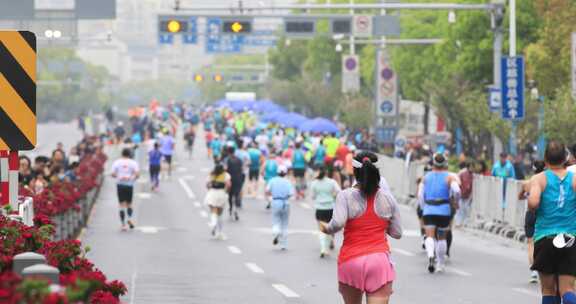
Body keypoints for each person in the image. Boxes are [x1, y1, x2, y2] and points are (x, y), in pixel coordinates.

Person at [320, 151, 402, 304]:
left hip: (351, 261)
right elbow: (397, 233)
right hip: (379, 262)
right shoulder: (388, 198)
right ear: (376, 171)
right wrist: (383, 224)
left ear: (355, 171)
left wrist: (325, 228)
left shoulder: (345, 196)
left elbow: (337, 223)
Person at [528, 141, 576, 304]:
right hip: (570, 237)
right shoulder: (574, 178)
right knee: (567, 289)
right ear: (565, 158)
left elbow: (533, 202)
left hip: (545, 238)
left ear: (545, 160)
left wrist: (534, 205)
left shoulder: (539, 179)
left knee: (548, 290)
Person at [418, 153, 460, 273]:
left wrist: (422, 207)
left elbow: (420, 194)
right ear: (445, 164)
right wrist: (456, 202)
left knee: (430, 235)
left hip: (429, 209)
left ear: (433, 163)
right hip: (443, 210)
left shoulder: (425, 177)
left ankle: (431, 255)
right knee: (442, 237)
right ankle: (440, 264)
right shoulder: (449, 177)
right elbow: (457, 190)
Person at [519, 160, 546, 284]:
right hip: (543, 214)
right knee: (543, 241)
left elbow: (520, 196)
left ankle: (534, 271)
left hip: (531, 213)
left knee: (530, 243)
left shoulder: (527, 183)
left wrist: (527, 195)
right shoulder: (547, 182)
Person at [310, 168, 341, 258]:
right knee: (330, 228)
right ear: (326, 173)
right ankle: (330, 241)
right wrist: (332, 196)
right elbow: (339, 191)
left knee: (321, 230)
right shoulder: (331, 182)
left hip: (320, 208)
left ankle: (323, 248)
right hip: (330, 208)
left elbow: (312, 196)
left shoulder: (314, 183)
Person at [266, 165, 295, 250]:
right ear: (285, 173)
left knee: (276, 221)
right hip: (285, 203)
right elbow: (291, 193)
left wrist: (270, 196)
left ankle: (276, 233)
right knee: (285, 224)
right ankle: (284, 244)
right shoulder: (288, 182)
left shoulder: (272, 180)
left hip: (275, 201)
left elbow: (267, 190)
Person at [111, 148, 140, 230]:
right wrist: (130, 178)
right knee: (129, 204)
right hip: (129, 185)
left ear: (122, 154)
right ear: (129, 154)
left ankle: (123, 224)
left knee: (121, 205)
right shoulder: (133, 163)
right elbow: (137, 175)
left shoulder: (117, 162)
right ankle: (129, 219)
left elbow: (112, 174)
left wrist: (120, 177)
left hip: (120, 185)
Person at [204, 163, 231, 240]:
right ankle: (219, 232)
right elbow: (228, 185)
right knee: (220, 213)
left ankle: (213, 223)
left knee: (213, 211)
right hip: (221, 193)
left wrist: (210, 189)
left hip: (212, 193)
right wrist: (226, 191)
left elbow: (207, 184)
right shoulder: (226, 175)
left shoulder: (211, 174)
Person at [226, 146, 244, 221]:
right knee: (237, 194)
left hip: (230, 180)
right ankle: (235, 209)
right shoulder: (239, 160)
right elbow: (242, 169)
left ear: (229, 152)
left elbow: (226, 170)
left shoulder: (228, 160)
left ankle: (230, 208)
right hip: (238, 179)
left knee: (230, 195)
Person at [455, 161, 473, 227]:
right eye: (471, 167)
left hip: (468, 195)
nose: (472, 168)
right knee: (460, 209)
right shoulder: (462, 173)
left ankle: (465, 223)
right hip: (461, 193)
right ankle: (458, 223)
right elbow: (457, 182)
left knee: (466, 209)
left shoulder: (473, 175)